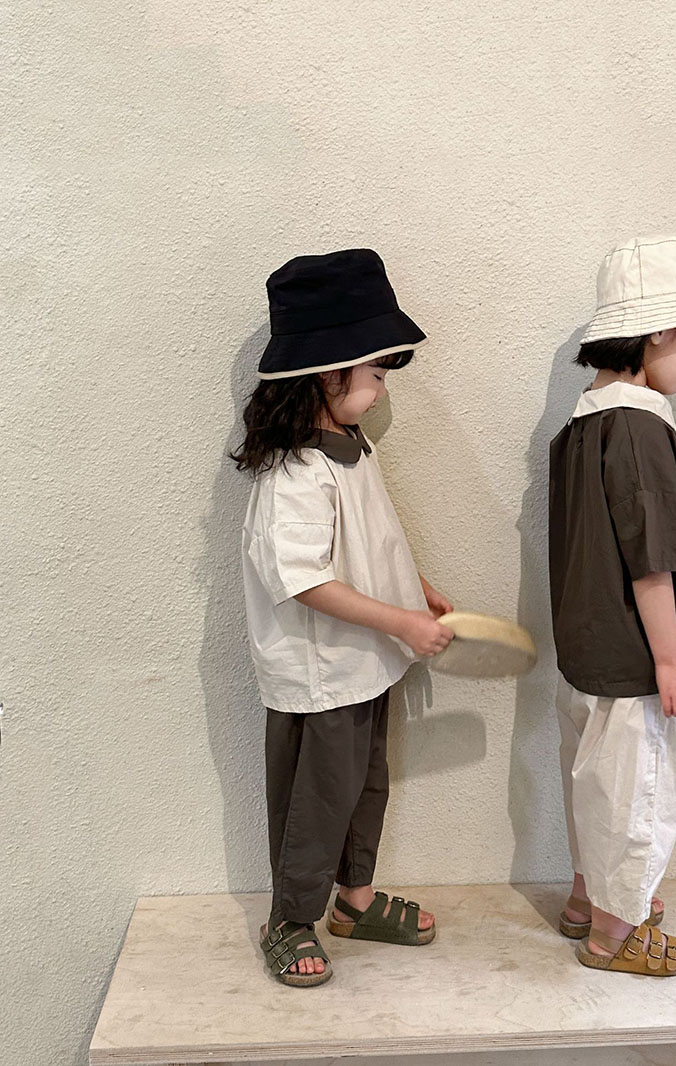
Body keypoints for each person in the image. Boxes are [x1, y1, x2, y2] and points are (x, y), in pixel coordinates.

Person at [231, 248, 454, 987]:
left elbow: (370, 538)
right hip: (322, 671)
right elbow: (303, 579)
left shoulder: (352, 445)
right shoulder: (295, 471)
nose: (383, 387)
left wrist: (414, 589)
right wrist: (401, 621)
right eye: (377, 373)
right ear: (330, 374)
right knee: (317, 799)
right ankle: (290, 918)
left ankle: (354, 901)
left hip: (365, 663)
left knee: (365, 785)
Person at [548, 233, 676, 976]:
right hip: (637, 656)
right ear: (659, 330)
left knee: (596, 783)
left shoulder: (584, 421)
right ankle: (615, 934)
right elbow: (653, 554)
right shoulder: (640, 425)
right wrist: (671, 659)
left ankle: (587, 899)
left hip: (590, 646)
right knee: (639, 792)